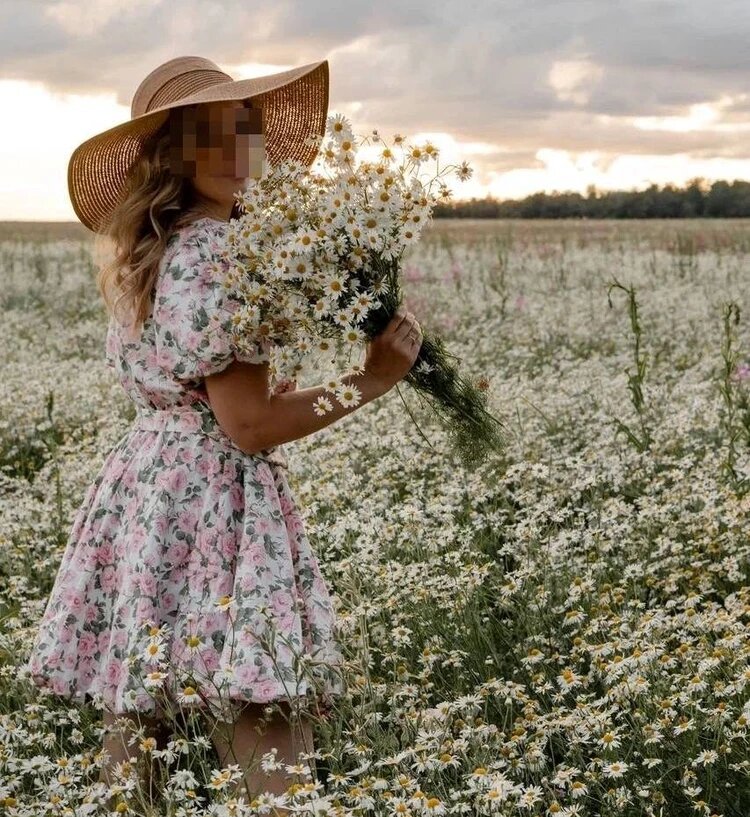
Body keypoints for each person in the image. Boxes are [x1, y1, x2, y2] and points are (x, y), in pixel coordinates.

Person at [23, 56, 423, 810]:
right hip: (214, 499)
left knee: (141, 727)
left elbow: (214, 401)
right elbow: (248, 425)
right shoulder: (222, 256)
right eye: (209, 135)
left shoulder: (157, 252)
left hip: (150, 490)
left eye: (245, 129)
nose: (238, 151)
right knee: (266, 721)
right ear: (170, 155)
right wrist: (372, 378)